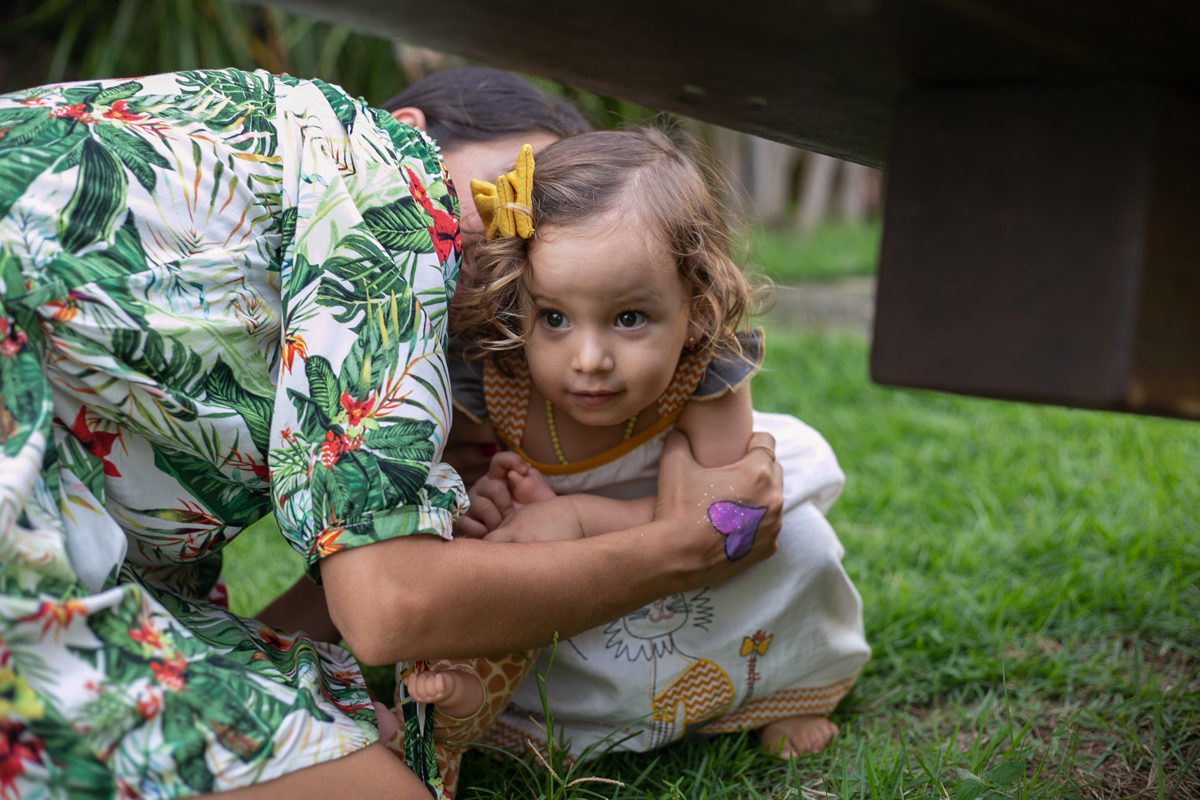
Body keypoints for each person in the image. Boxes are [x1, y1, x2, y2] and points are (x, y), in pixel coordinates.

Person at [0, 68, 783, 799]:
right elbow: (390, 608)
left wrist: (409, 517)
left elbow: (311, 602)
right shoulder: (386, 185)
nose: (522, 257)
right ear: (408, 128)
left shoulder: (257, 221)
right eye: (523, 195)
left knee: (325, 712)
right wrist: (680, 548)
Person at [423, 127, 870, 763]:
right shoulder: (496, 380)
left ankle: (790, 686)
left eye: (629, 318)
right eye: (553, 317)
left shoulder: (704, 375)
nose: (589, 359)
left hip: (698, 549)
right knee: (492, 577)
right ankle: (501, 710)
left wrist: (573, 516)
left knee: (802, 548)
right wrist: (484, 501)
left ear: (696, 302)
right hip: (591, 576)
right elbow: (443, 482)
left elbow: (723, 520)